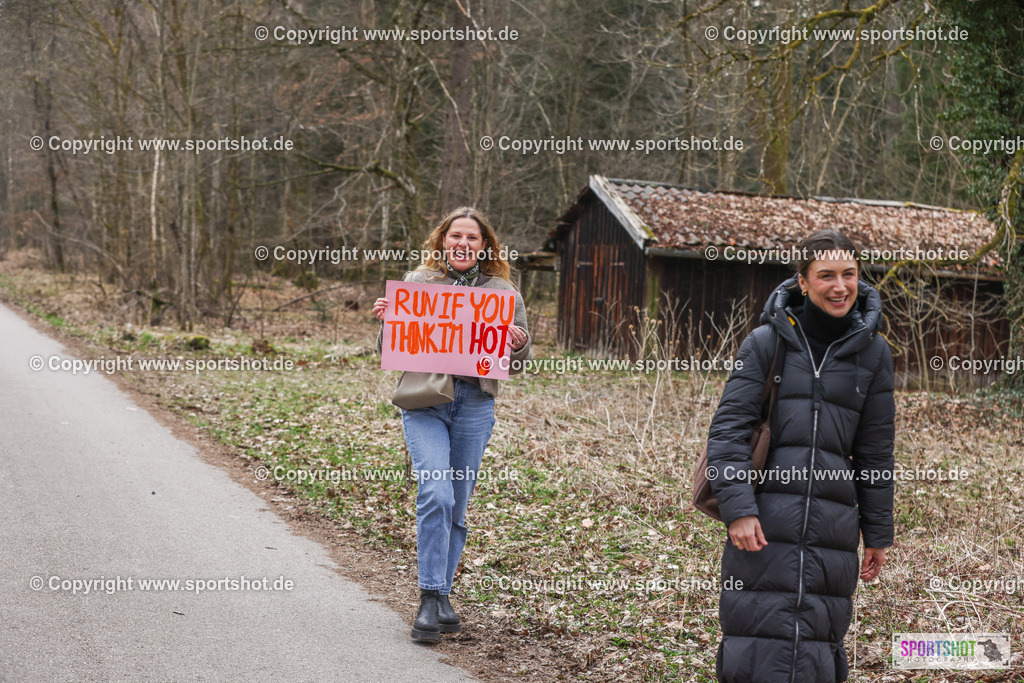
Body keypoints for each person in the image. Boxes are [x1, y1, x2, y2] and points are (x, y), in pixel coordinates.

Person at [706, 229, 895, 682]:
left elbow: (875, 452)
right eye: (826, 275)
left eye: (849, 274)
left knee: (818, 640)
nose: (840, 286)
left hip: (833, 528)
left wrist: (878, 532)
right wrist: (738, 509)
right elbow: (729, 432)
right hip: (764, 521)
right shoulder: (764, 344)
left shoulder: (874, 353)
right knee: (754, 636)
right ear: (803, 282)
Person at [373, 206, 531, 643]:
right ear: (443, 241)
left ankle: (443, 594)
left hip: (475, 406)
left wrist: (517, 343)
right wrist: (388, 322)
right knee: (436, 492)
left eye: (472, 238)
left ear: (485, 246)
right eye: (455, 236)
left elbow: (517, 363)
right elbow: (392, 349)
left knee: (457, 505)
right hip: (425, 403)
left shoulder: (503, 292)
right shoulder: (419, 283)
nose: (463, 244)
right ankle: (428, 597)